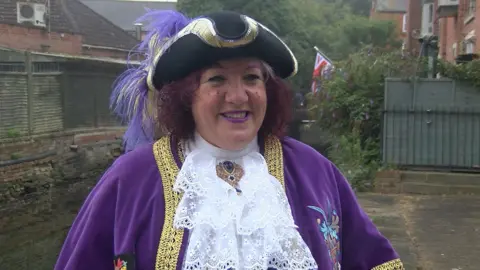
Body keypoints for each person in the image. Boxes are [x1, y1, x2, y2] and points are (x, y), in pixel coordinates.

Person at [55, 10, 404, 270]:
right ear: (186, 96)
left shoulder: (314, 171)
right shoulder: (130, 179)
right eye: (217, 79)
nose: (238, 96)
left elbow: (373, 259)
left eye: (252, 78)